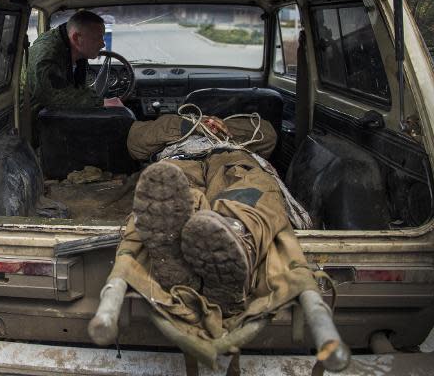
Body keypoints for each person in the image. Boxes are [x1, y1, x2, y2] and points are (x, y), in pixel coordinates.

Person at [125, 111, 312, 316]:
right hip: (179, 160)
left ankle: (234, 245)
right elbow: (135, 142)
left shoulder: (244, 124)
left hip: (233, 158)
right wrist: (192, 125)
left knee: (250, 189)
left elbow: (268, 136)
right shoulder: (169, 122)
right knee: (171, 192)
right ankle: (176, 257)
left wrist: (223, 126)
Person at [27, 10, 124, 117]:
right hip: (31, 118)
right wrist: (101, 103)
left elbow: (77, 89)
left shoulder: (74, 50)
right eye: (98, 38)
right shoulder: (47, 55)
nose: (103, 44)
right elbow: (53, 98)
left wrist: (100, 100)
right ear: (77, 38)